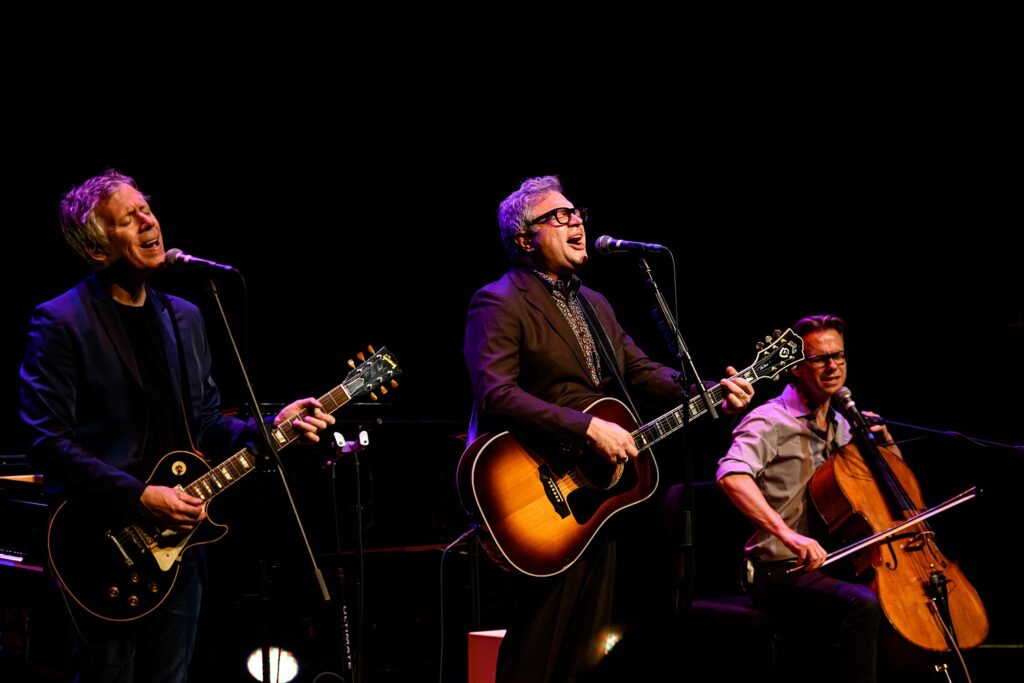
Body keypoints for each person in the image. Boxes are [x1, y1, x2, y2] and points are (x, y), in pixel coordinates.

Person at [18, 169, 335, 682]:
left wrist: (271, 425)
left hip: (178, 541)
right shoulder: (60, 321)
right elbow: (47, 441)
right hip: (98, 544)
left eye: (147, 209)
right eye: (128, 218)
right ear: (98, 250)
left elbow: (206, 423)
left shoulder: (184, 316)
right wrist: (139, 496)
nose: (149, 222)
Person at [463, 175, 754, 682]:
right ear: (524, 238)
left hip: (599, 496)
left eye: (577, 213)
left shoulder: (594, 302)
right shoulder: (499, 300)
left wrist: (712, 393)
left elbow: (640, 373)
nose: (576, 221)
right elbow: (496, 393)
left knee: (583, 646)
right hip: (537, 491)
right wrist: (588, 428)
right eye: (559, 216)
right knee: (538, 645)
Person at [716, 314, 900, 683]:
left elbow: (893, 488)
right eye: (820, 358)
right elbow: (730, 475)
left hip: (833, 564)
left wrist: (886, 443)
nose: (833, 366)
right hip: (780, 571)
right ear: (796, 367)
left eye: (840, 356)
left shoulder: (845, 422)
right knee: (861, 604)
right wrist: (790, 535)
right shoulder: (769, 420)